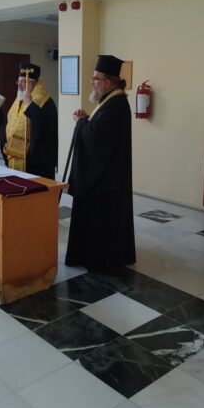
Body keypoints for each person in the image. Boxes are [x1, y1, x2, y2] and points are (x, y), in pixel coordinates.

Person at [65, 54, 136, 271]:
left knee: (100, 220)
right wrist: (86, 120)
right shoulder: (110, 101)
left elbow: (96, 140)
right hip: (108, 176)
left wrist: (81, 123)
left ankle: (97, 258)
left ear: (108, 82)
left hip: (104, 182)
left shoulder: (115, 104)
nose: (92, 82)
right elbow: (100, 132)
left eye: (96, 78)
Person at [3, 62, 58, 179]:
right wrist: (6, 143)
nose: (19, 85)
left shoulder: (46, 103)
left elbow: (43, 127)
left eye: (24, 81)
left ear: (35, 84)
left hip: (37, 162)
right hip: (15, 156)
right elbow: (11, 123)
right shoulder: (20, 99)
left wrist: (30, 105)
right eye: (19, 81)